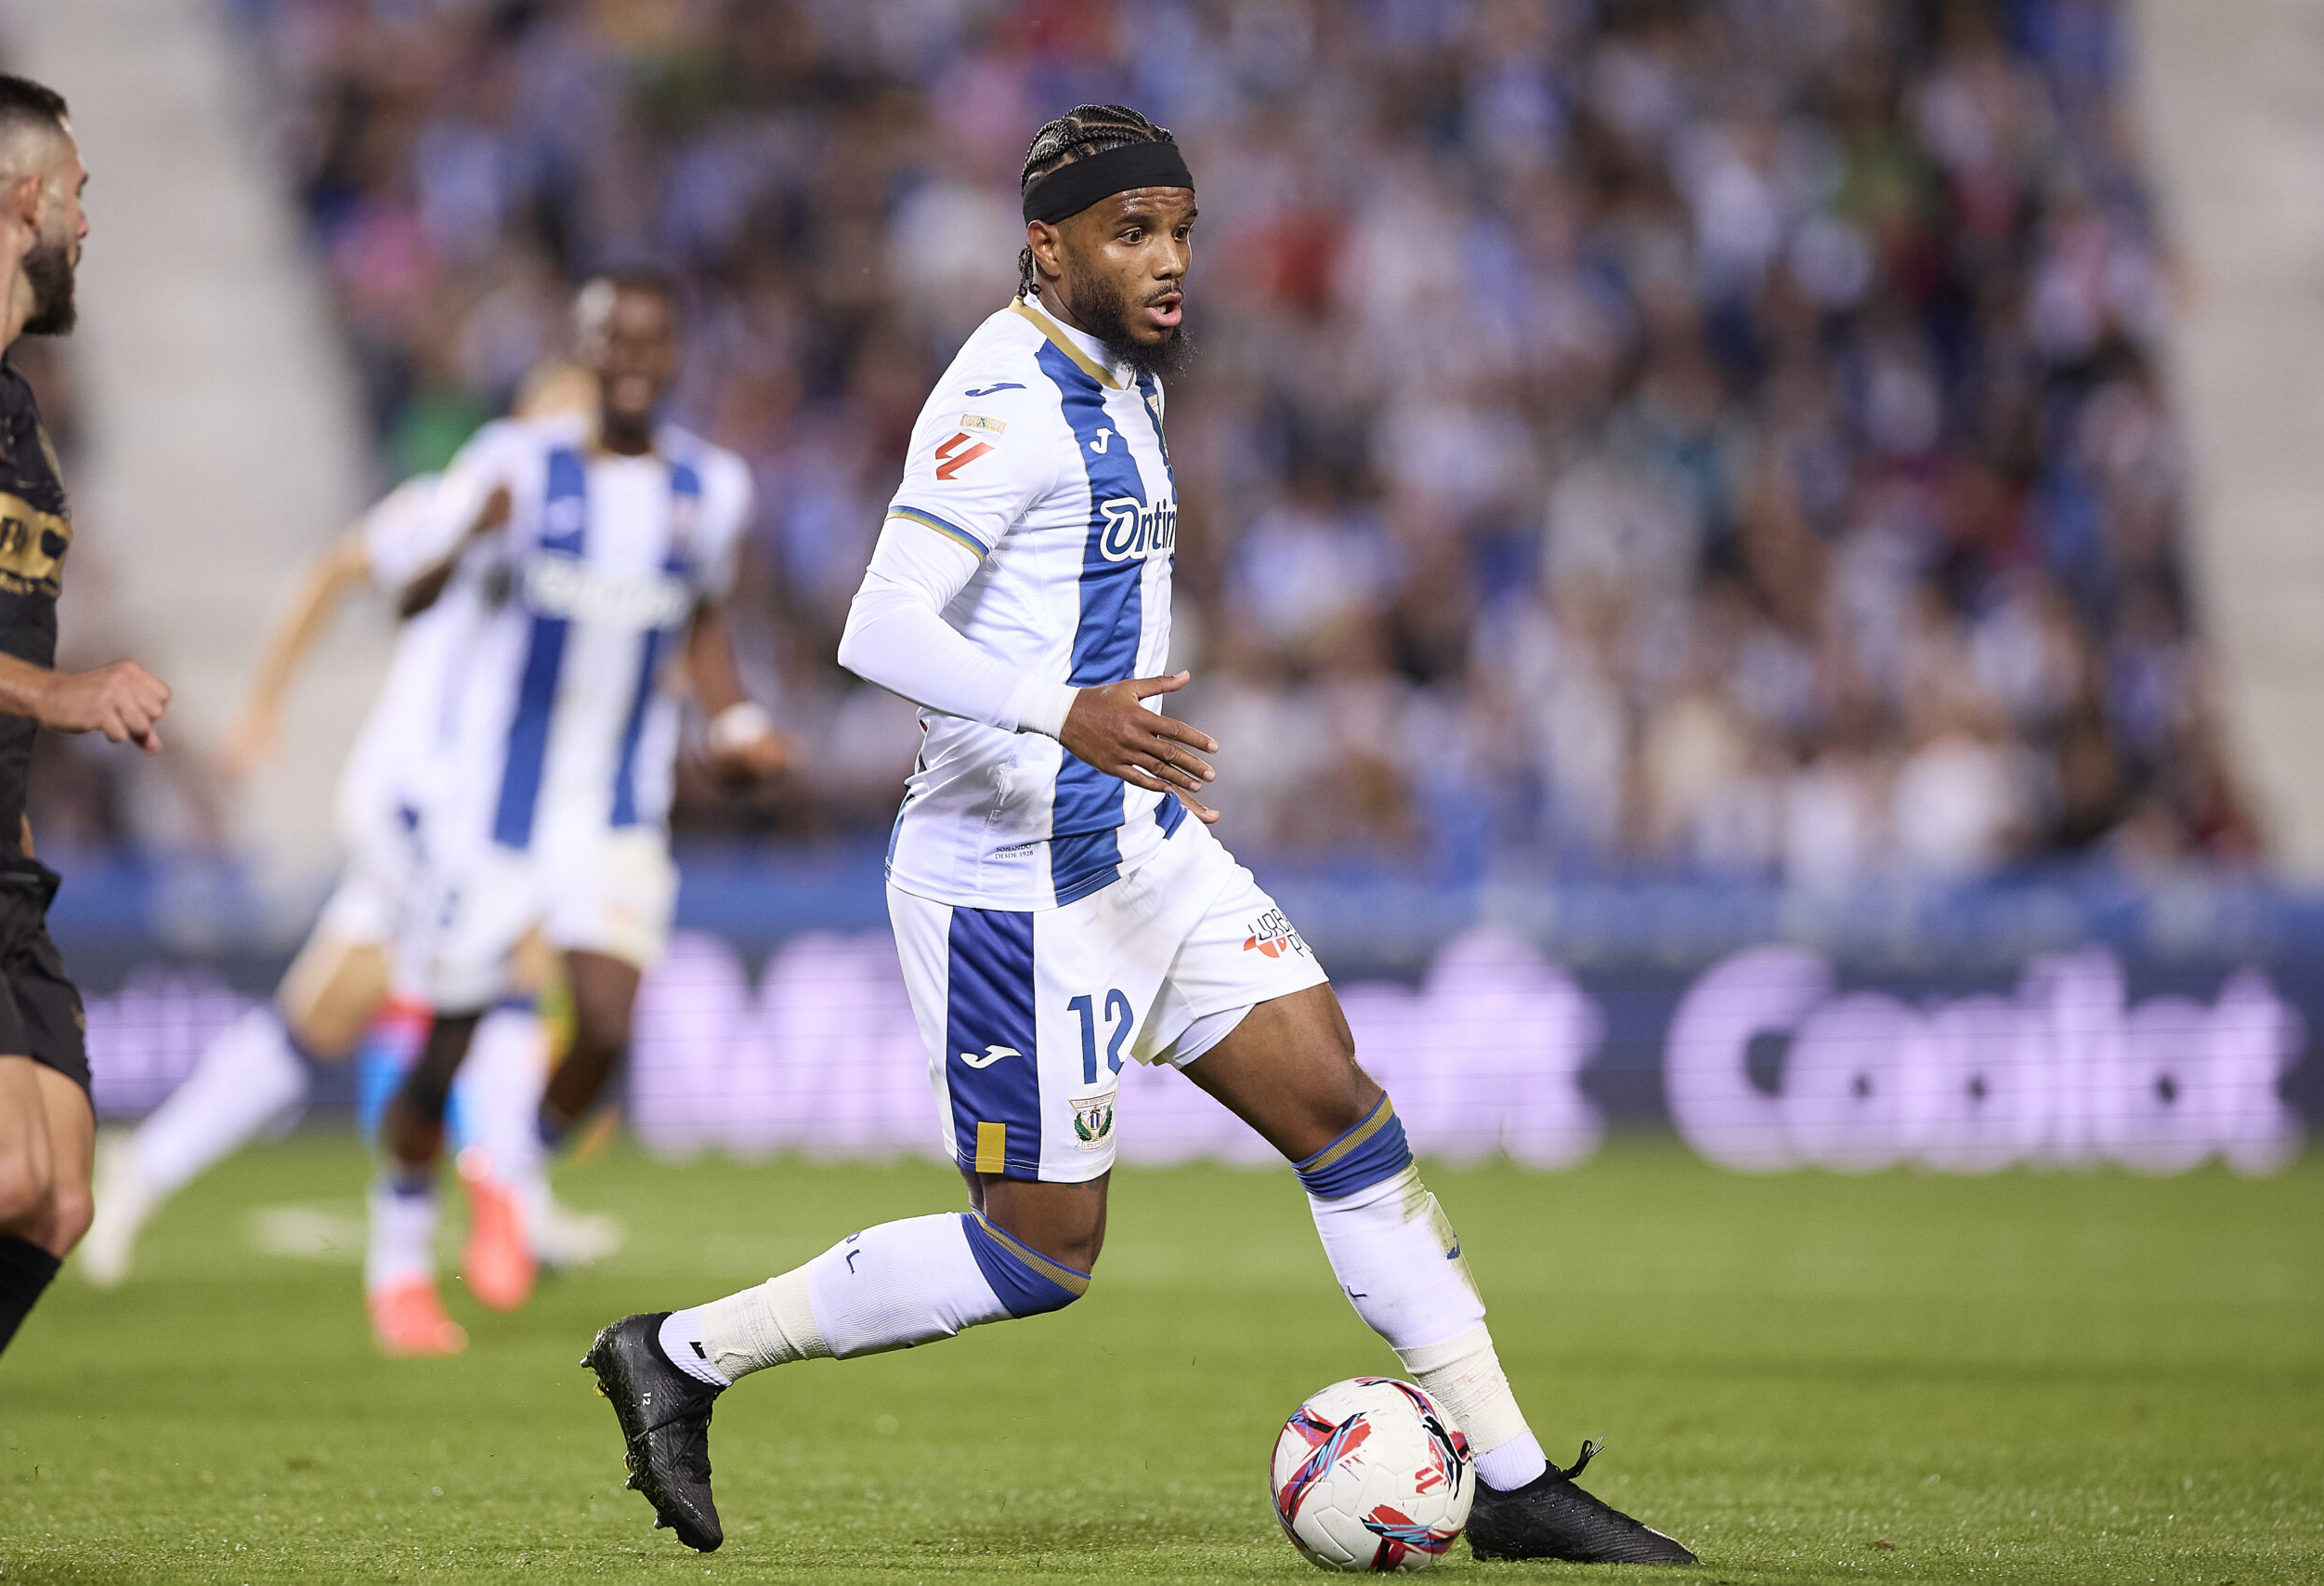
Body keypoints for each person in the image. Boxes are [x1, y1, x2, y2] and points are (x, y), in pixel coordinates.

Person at [580, 106, 1696, 1566]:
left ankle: (1514, 1475)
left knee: (1340, 1103)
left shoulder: (1128, 376)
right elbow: (877, 622)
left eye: (1181, 228)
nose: (1171, 260)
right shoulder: (1001, 394)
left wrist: (1107, 743)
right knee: (1043, 1253)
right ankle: (683, 1350)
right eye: (1133, 231)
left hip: (1142, 845)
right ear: (1048, 246)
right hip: (1007, 882)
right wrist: (1066, 712)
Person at [78, 364, 620, 1297]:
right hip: (419, 800)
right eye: (561, 410)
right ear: (521, 425)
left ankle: (147, 1165)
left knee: (318, 1020)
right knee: (509, 964)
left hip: (466, 810)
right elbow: (335, 569)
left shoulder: (589, 544)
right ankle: (507, 1210)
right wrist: (262, 706)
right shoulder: (451, 504)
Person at [368, 271, 790, 1355]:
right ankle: (400, 1260)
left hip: (615, 812)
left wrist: (733, 718)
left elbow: (702, 616)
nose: (634, 361)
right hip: (494, 812)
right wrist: (468, 538)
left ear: (674, 354)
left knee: (603, 1023)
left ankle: (508, 1166)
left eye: (652, 343)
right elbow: (406, 594)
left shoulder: (711, 487)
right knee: (447, 1042)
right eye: (614, 343)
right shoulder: (515, 462)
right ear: (587, 352)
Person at [0, 70, 174, 1396]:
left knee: (56, 1197)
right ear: (29, 198)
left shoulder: (16, 414)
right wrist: (64, 694)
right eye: (83, 195)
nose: (90, 225)